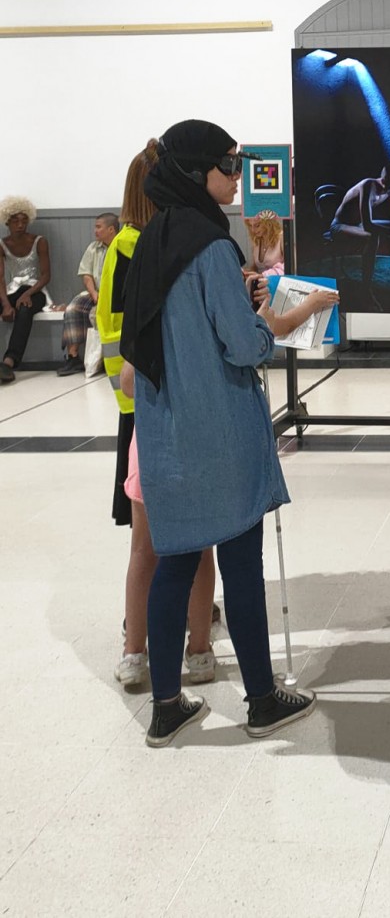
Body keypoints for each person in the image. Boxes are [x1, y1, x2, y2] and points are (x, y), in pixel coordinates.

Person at [120, 119, 339, 748]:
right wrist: (265, 320)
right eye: (229, 166)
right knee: (241, 565)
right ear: (197, 172)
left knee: (174, 564)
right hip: (219, 428)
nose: (237, 179)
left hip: (167, 430)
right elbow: (242, 347)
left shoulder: (153, 237)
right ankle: (263, 700)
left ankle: (166, 708)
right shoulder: (211, 245)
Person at [96, 142, 217, 689]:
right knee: (151, 539)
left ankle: (179, 633)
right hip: (147, 404)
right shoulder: (133, 248)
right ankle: (139, 638)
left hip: (155, 401)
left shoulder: (154, 243)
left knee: (170, 539)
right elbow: (124, 332)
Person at [329, 161, 390, 290]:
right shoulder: (368, 186)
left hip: (359, 225)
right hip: (340, 226)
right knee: (372, 236)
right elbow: (368, 225)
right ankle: (366, 289)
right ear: (385, 181)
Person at [56, 213, 119, 376]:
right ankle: (73, 357)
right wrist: (94, 293)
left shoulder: (121, 246)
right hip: (96, 292)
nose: (95, 231)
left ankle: (113, 358)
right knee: (74, 308)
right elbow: (86, 275)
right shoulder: (93, 248)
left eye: (99, 227)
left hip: (117, 294)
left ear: (111, 229)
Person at [0, 196, 52, 383]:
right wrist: (6, 305)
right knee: (9, 305)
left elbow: (46, 275)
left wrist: (28, 293)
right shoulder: (2, 243)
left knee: (25, 310)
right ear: (7, 222)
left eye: (24, 221)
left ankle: (9, 362)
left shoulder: (39, 241)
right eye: (15, 221)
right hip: (12, 289)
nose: (20, 225)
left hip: (35, 289)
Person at [242, 209, 284, 303]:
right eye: (250, 226)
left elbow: (291, 266)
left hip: (279, 290)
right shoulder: (257, 241)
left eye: (257, 225)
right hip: (261, 291)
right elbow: (256, 268)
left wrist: (262, 275)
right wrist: (247, 273)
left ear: (268, 223)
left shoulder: (281, 238)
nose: (253, 230)